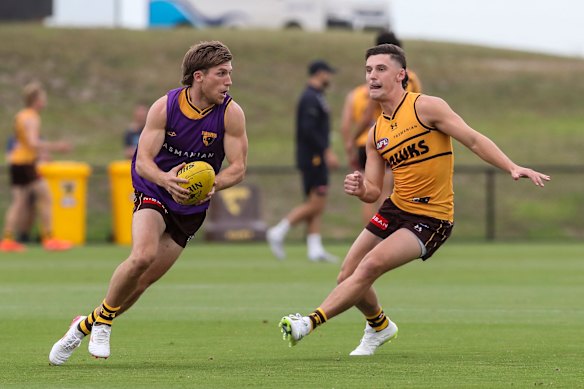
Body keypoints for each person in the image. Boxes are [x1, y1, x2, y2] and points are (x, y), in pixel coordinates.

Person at [279, 44, 550, 355]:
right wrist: (358, 187)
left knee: (369, 267)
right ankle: (380, 327)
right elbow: (372, 189)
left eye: (380, 69)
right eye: (368, 70)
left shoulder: (427, 108)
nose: (372, 76)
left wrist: (512, 166)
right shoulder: (375, 132)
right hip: (396, 208)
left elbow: (473, 139)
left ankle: (309, 323)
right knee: (347, 274)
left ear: (401, 75)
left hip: (431, 217)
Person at [48, 41, 248, 365]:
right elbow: (142, 161)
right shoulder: (165, 107)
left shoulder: (231, 114)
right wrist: (166, 179)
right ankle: (105, 324)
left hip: (191, 208)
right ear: (199, 76)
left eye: (230, 74)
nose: (228, 81)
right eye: (221, 74)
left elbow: (238, 167)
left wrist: (215, 184)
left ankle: (86, 324)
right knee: (142, 256)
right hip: (154, 189)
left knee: (141, 282)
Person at [340, 30, 422, 226]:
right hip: (391, 140)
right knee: (385, 193)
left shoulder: (360, 91)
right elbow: (418, 105)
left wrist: (351, 142)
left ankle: (371, 234)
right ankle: (379, 236)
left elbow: (350, 122)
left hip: (368, 142)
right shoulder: (410, 78)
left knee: (369, 192)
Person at [266, 60, 340, 263]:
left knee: (316, 202)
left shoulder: (317, 96)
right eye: (328, 73)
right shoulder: (309, 97)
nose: (330, 78)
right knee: (317, 202)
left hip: (314, 156)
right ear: (319, 73)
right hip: (313, 157)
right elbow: (309, 130)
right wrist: (326, 151)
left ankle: (314, 248)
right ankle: (279, 231)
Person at [0, 82, 73, 252]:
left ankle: (7, 239)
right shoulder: (32, 117)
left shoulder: (21, 115)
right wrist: (57, 146)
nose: (44, 101)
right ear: (36, 100)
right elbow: (32, 143)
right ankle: (49, 238)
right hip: (25, 163)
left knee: (19, 202)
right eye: (43, 98)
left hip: (17, 163)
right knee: (46, 197)